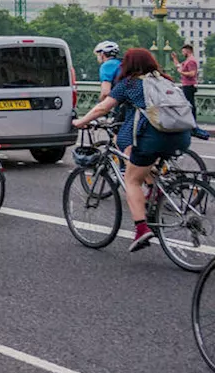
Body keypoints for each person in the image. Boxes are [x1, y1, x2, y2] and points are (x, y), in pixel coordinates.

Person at [75, 48, 195, 250]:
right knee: (147, 167)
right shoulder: (165, 80)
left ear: (129, 65)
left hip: (153, 137)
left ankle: (141, 229)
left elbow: (103, 107)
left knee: (132, 179)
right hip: (181, 136)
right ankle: (157, 193)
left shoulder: (129, 84)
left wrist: (81, 121)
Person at [172, 44, 210, 140]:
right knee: (188, 105)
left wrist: (182, 73)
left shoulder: (191, 61)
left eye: (183, 51)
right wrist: (175, 58)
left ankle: (192, 125)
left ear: (188, 50)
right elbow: (179, 66)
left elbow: (192, 73)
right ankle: (190, 124)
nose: (182, 53)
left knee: (190, 105)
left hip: (189, 85)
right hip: (186, 85)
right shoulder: (187, 61)